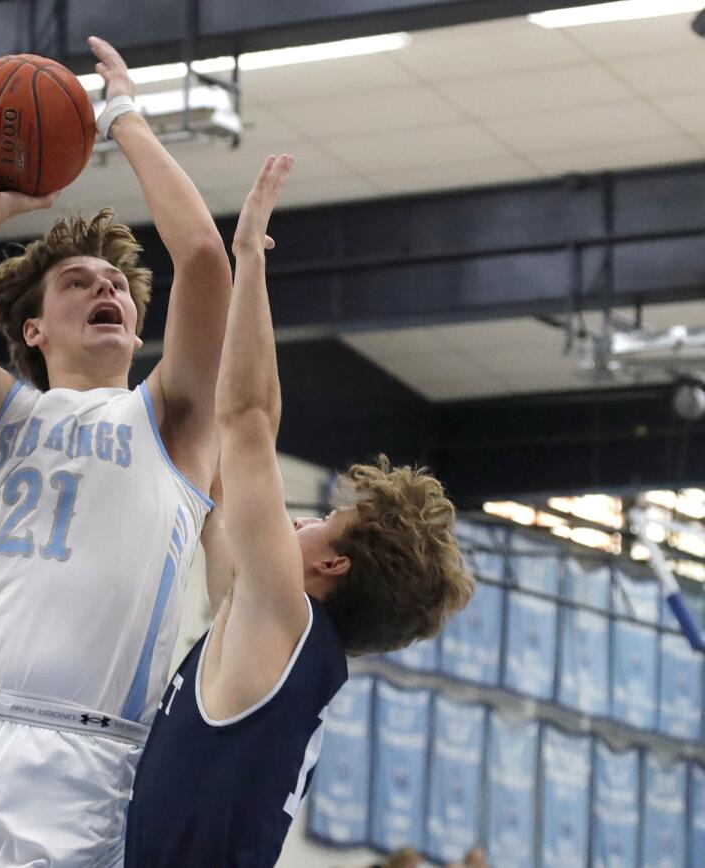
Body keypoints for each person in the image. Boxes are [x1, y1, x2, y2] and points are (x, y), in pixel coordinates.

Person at [0, 33, 231, 867]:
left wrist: (126, 117)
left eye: (116, 288)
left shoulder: (172, 419)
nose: (106, 290)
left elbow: (205, 259)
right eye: (80, 282)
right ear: (32, 328)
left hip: (82, 752)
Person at [124, 156, 475, 866]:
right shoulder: (270, 632)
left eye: (320, 520)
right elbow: (226, 480)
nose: (293, 520)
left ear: (332, 563)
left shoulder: (282, 616)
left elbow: (249, 416)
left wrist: (248, 255)